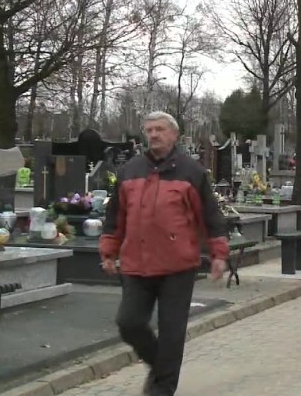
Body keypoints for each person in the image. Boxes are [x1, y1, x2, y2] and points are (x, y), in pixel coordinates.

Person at [99, 111, 229, 396]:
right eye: (149, 130)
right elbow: (115, 216)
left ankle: (162, 389)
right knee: (129, 322)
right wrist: (109, 250)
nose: (154, 135)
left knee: (172, 333)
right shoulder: (130, 170)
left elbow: (210, 215)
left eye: (160, 129)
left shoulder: (191, 172)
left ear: (174, 134)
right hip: (136, 263)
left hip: (177, 266)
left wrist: (219, 253)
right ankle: (160, 367)